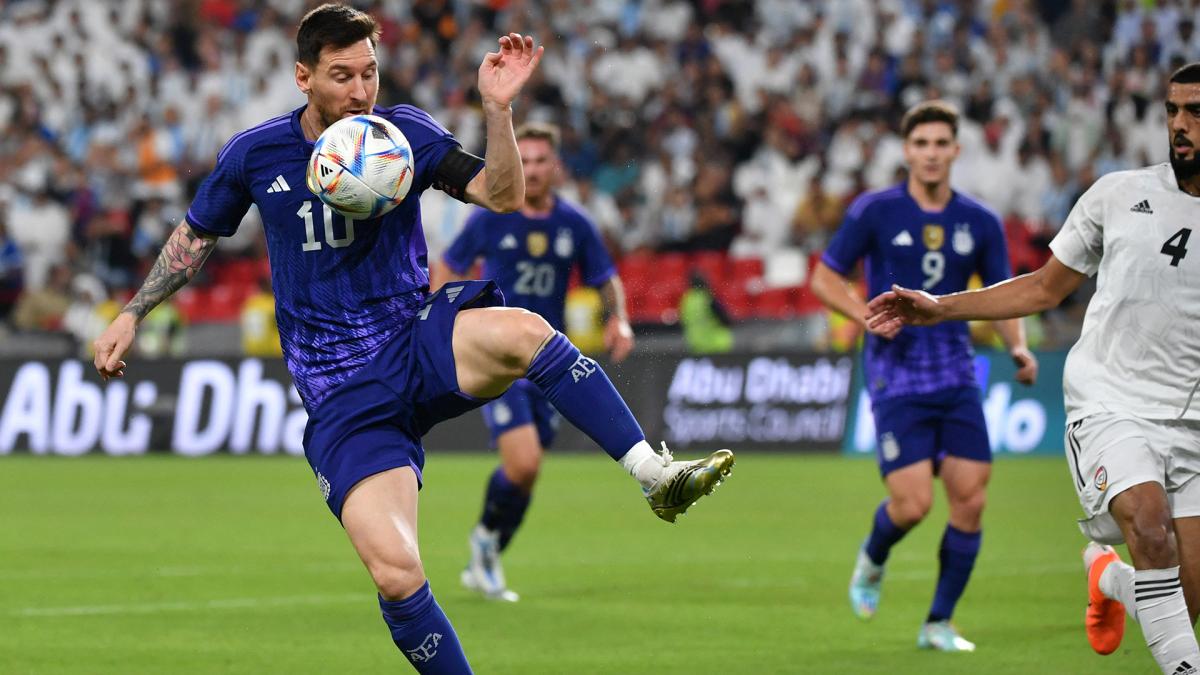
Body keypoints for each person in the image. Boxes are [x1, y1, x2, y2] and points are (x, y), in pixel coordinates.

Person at [90, 5, 734, 673]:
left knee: (526, 331)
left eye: (369, 72)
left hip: (414, 342)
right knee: (397, 574)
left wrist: (498, 110)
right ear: (303, 77)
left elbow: (501, 196)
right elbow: (195, 238)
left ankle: (654, 475)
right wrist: (133, 312)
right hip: (341, 394)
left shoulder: (403, 134)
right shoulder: (256, 153)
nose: (360, 91)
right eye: (342, 76)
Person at [865, 63, 1200, 675]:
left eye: (1195, 112)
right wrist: (941, 308)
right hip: (1113, 403)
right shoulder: (1119, 195)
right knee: (1151, 531)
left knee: (1185, 598)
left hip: (1194, 421)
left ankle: (1108, 578)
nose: (1180, 124)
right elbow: (1044, 288)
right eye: (1173, 111)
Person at [810, 100, 1038, 652]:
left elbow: (1002, 297)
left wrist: (1019, 348)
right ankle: (874, 555)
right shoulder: (875, 211)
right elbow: (824, 278)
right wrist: (863, 316)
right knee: (913, 505)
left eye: (940, 144)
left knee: (971, 501)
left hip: (957, 375)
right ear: (906, 151)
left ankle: (938, 622)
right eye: (921, 144)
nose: (931, 154)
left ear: (956, 150)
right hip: (897, 376)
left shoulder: (980, 221)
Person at [434, 122, 635, 602]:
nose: (535, 169)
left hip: (550, 365)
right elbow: (449, 265)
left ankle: (487, 543)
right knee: (523, 463)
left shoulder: (575, 223)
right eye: (525, 160)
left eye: (542, 160)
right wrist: (444, 319)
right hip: (501, 363)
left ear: (557, 166)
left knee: (527, 473)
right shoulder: (491, 217)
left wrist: (618, 320)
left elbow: (605, 278)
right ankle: (486, 548)